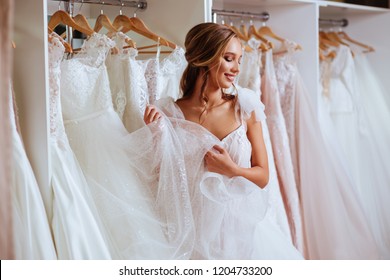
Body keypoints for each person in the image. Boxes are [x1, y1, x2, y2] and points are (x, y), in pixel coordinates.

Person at [144, 22, 303, 260]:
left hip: (238, 235)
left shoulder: (245, 107)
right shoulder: (169, 113)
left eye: (239, 60)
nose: (237, 68)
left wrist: (232, 169)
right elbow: (161, 181)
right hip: (191, 236)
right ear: (205, 57)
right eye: (230, 59)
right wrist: (157, 136)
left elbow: (263, 176)